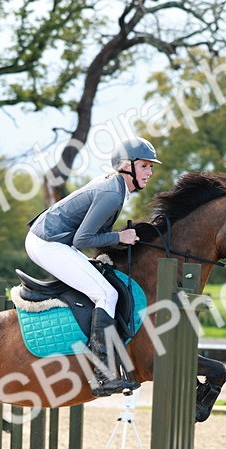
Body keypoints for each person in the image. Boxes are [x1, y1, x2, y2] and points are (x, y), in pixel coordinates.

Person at [26, 137, 160, 396]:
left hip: (56, 241)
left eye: (151, 167)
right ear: (126, 166)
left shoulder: (117, 188)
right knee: (106, 294)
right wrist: (120, 238)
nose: (150, 172)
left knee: (104, 284)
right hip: (46, 243)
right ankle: (102, 374)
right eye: (145, 166)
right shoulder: (111, 193)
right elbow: (83, 239)